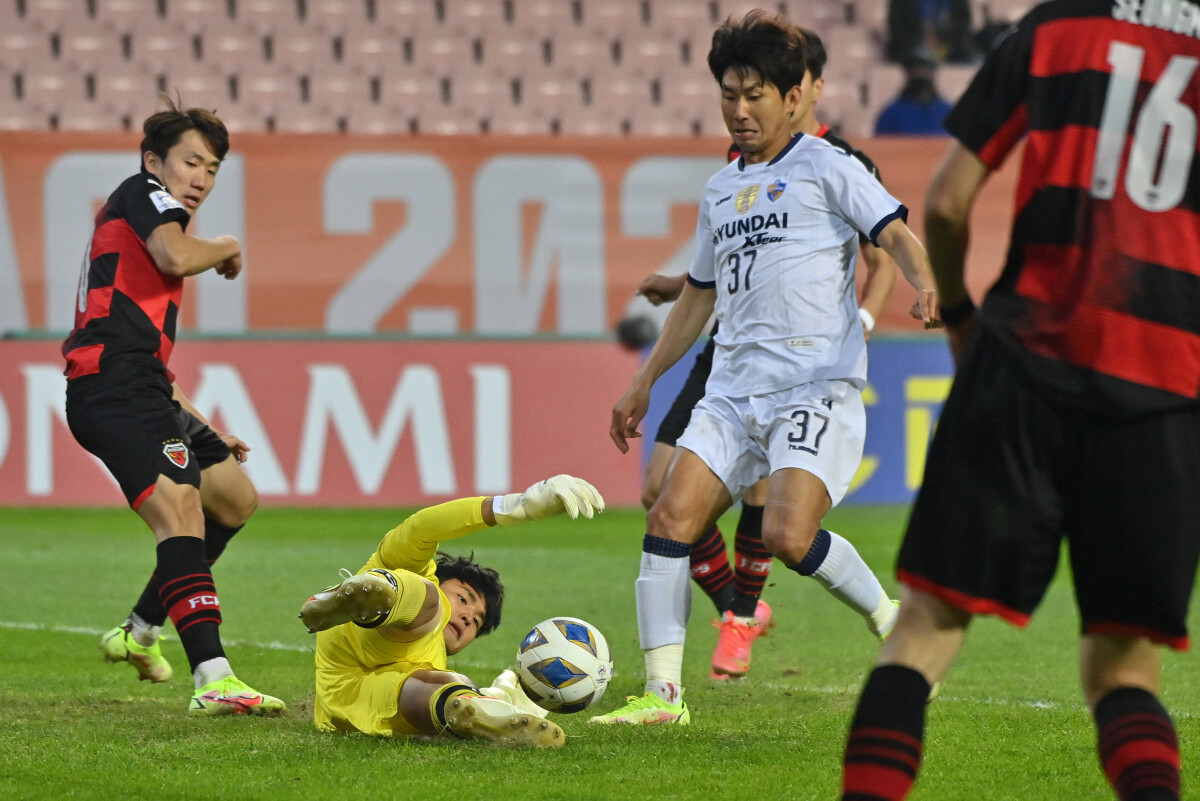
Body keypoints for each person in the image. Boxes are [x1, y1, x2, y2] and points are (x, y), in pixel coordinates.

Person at [840, 3, 1200, 799]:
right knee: (1123, 667)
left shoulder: (1054, 29)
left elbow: (947, 204)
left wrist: (963, 318)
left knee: (924, 631)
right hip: (1163, 386)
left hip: (1024, 361)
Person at [594, 11, 940, 726]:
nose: (741, 108)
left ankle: (889, 617)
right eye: (729, 94)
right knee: (669, 515)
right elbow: (700, 293)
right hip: (731, 390)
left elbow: (896, 235)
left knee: (787, 536)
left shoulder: (828, 165)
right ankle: (662, 698)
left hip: (813, 384)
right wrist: (644, 380)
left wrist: (926, 283)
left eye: (755, 94)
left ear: (793, 99)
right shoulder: (721, 190)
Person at [62, 96, 283, 716]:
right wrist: (230, 245)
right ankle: (214, 679)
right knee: (181, 511)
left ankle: (138, 629)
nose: (200, 179)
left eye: (211, 170)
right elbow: (176, 256)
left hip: (141, 386)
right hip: (110, 389)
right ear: (154, 160)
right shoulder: (146, 194)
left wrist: (203, 424)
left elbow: (150, 357)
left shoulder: (144, 213)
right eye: (191, 162)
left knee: (234, 498)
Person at [298, 474, 604, 748]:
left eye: (477, 621)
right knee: (431, 604)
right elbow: (423, 527)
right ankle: (376, 597)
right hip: (374, 624)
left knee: (448, 684)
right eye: (464, 598)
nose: (469, 616)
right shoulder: (412, 567)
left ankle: (465, 709)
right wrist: (517, 506)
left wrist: (501, 703)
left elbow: (447, 686)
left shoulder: (432, 665)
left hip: (348, 702)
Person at [873, 48, 953, 136]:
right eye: (914, 69)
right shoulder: (891, 114)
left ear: (933, 73)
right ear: (907, 74)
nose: (919, 73)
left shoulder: (948, 113)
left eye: (925, 68)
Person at [885, 0, 976, 65]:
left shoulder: (958, 3)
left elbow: (964, 25)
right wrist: (921, 37)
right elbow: (896, 27)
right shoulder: (901, 2)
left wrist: (940, 36)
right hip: (909, 51)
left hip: (952, 50)